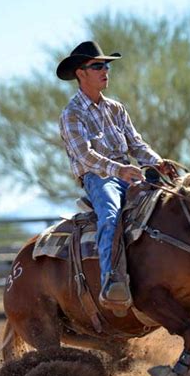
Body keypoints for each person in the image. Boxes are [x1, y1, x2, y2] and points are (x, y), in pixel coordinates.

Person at [57, 41, 174, 309]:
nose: (105, 70)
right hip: (99, 178)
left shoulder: (116, 109)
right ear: (80, 73)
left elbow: (136, 144)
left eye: (106, 65)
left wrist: (158, 163)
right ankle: (112, 280)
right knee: (110, 215)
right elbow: (85, 157)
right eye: (97, 66)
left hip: (129, 175)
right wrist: (119, 169)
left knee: (175, 203)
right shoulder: (72, 114)